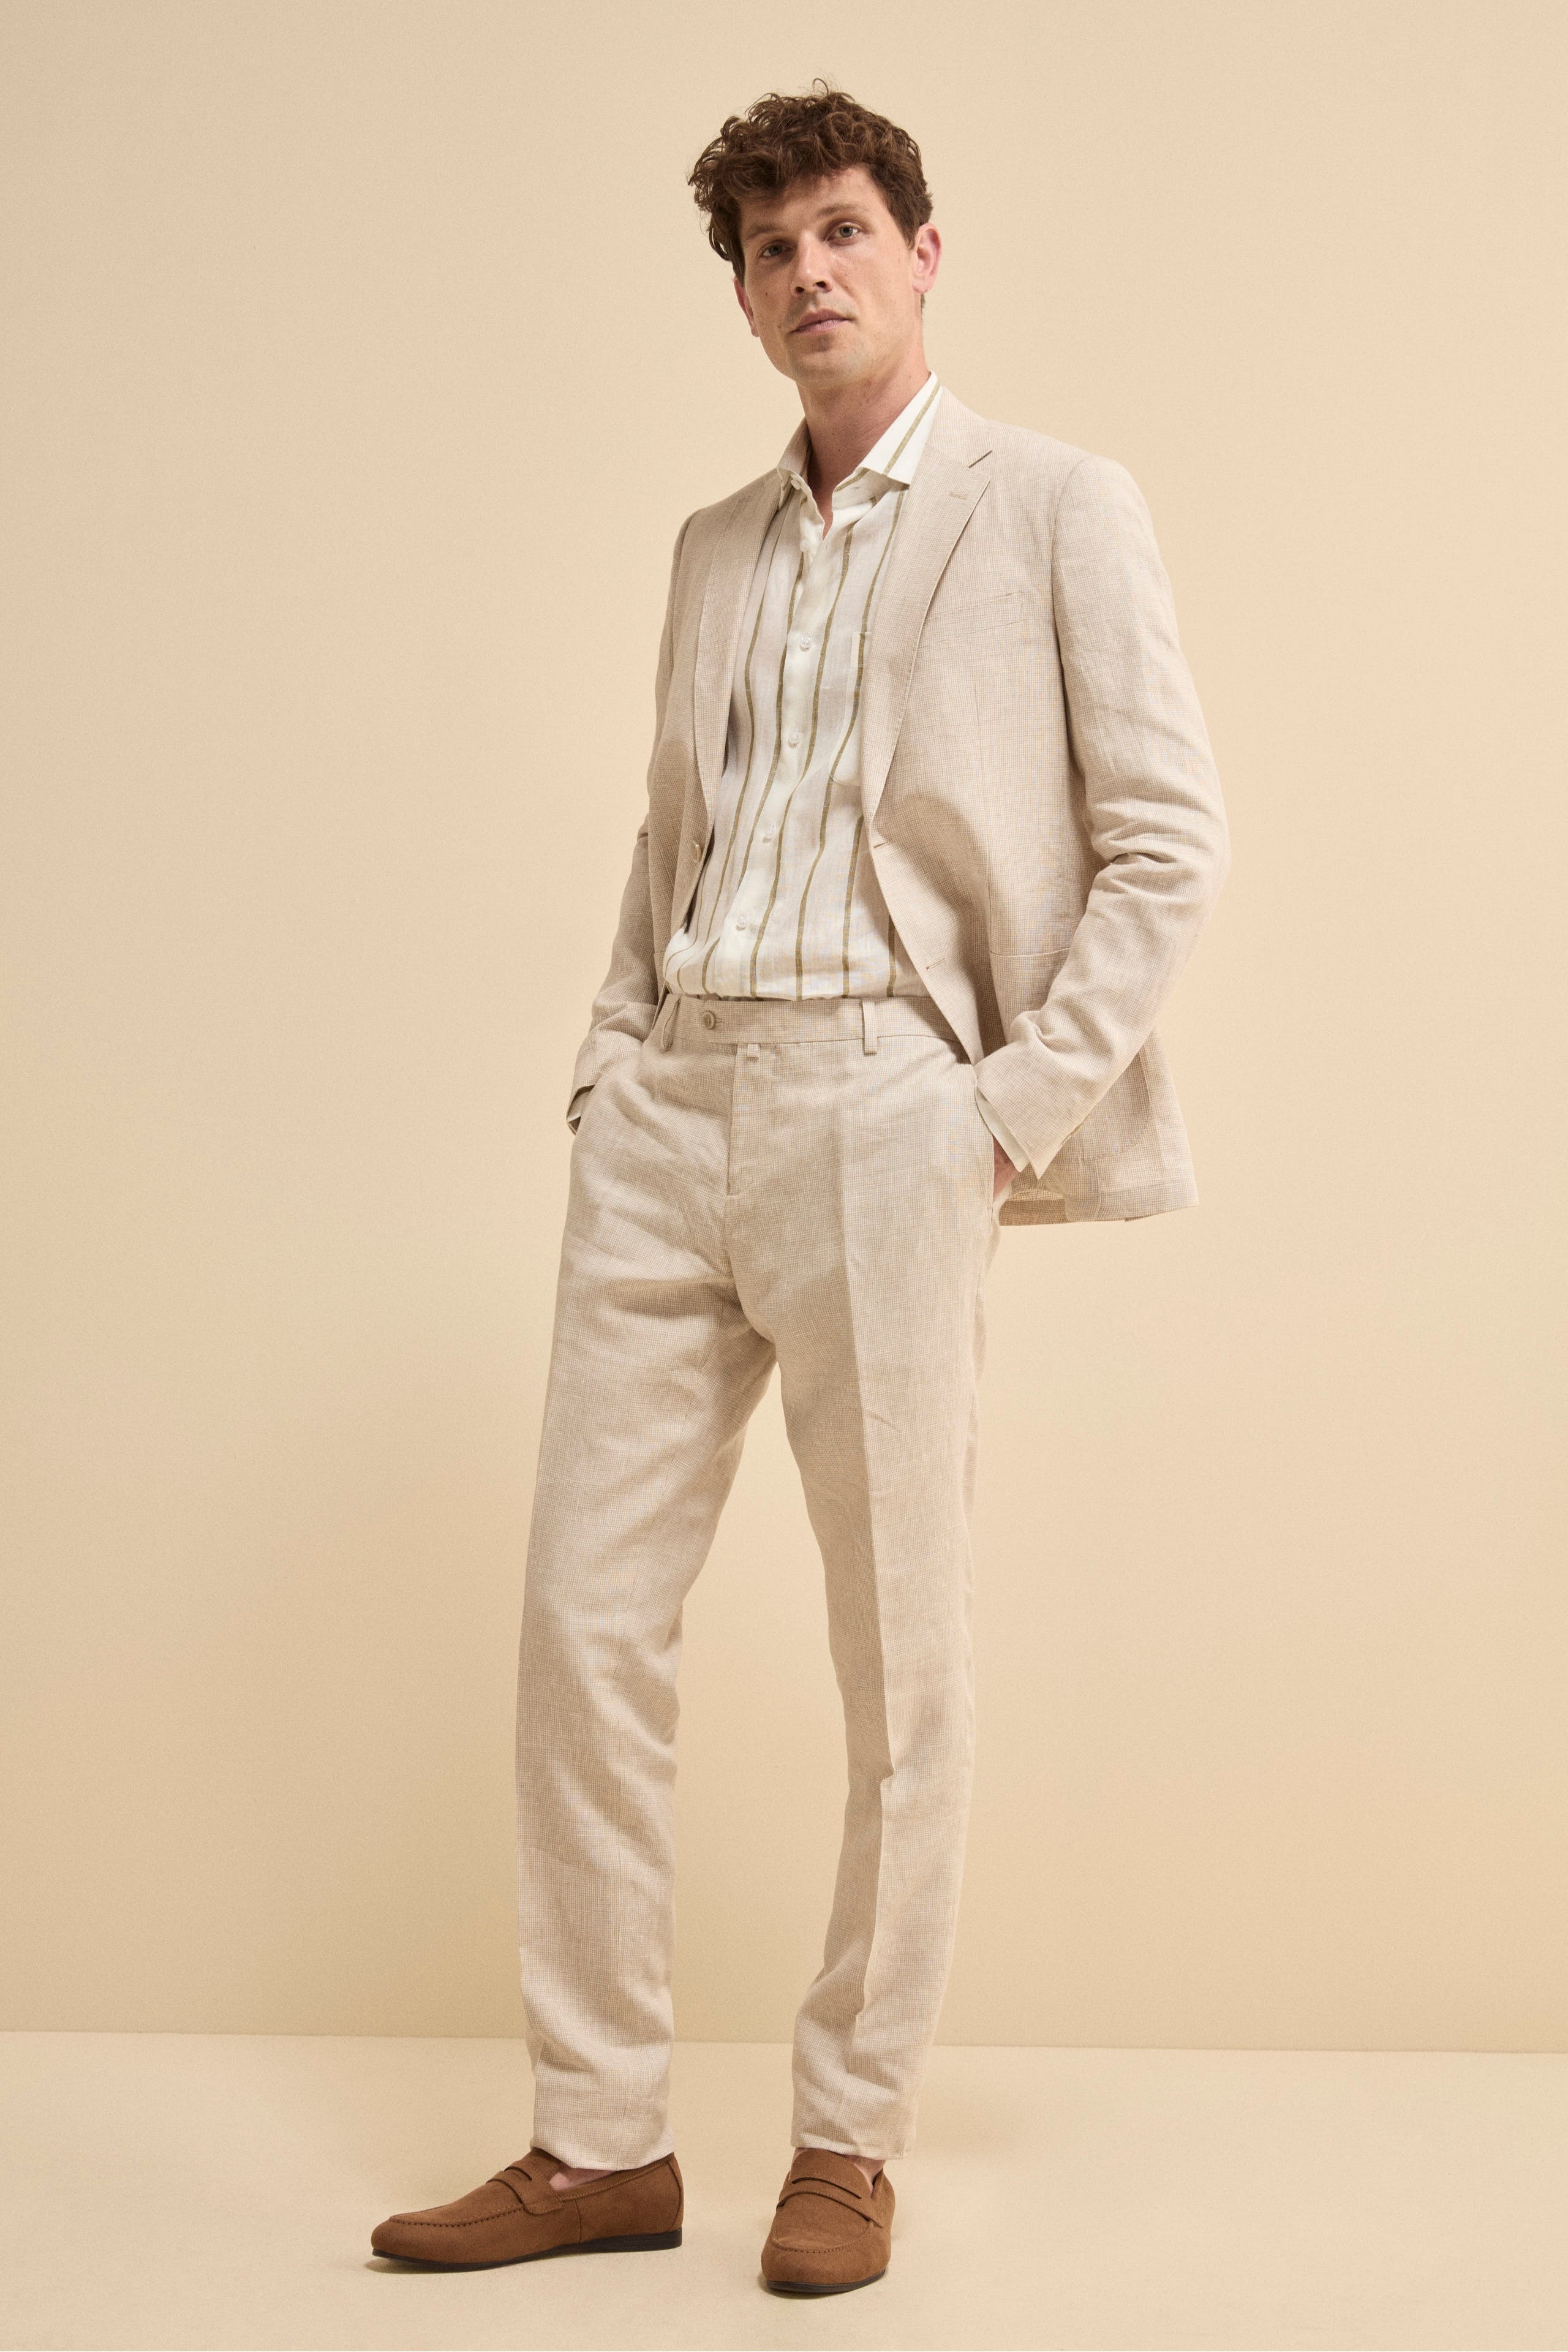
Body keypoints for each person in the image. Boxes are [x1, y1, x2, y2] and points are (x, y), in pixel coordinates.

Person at [372, 81, 1229, 2297]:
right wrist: (614, 1053)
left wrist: (1001, 1110)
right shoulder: (711, 550)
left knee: (900, 1654)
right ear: (744, 299)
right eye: (770, 251)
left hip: (890, 1109)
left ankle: (849, 2135)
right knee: (581, 1628)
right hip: (673, 1112)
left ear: (922, 252)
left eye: (842, 229)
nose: (808, 273)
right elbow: (674, 836)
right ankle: (598, 2142)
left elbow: (1168, 842)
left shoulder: (1056, 507)